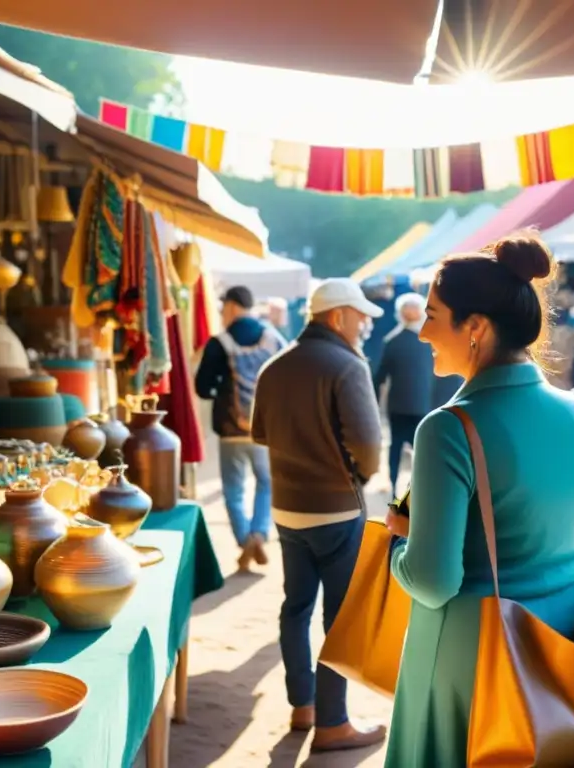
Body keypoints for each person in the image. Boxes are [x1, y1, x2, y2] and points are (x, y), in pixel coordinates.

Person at [383, 230, 574, 767]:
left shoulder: (448, 429)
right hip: (566, 636)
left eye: (433, 316)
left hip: (474, 652)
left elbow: (434, 581)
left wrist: (396, 549)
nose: (422, 333)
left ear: (474, 327)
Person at [251, 278, 387, 752]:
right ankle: (333, 723)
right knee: (340, 617)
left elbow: (261, 434)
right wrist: (357, 476)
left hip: (288, 510)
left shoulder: (274, 366)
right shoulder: (347, 366)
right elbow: (369, 447)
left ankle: (303, 705)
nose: (367, 323)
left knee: (295, 607)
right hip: (335, 509)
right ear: (336, 317)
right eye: (360, 314)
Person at [195, 285, 286, 572]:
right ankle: (259, 533)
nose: (221, 313)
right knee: (267, 482)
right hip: (264, 430)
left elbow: (202, 387)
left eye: (223, 307)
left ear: (233, 306)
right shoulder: (273, 338)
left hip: (230, 430)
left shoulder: (219, 342)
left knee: (233, 489)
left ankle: (244, 539)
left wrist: (220, 391)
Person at [374, 292, 434, 492]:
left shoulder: (391, 341)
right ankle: (422, 488)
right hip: (425, 405)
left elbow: (380, 377)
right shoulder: (430, 342)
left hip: (398, 406)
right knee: (424, 450)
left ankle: (392, 486)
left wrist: (373, 405)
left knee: (396, 446)